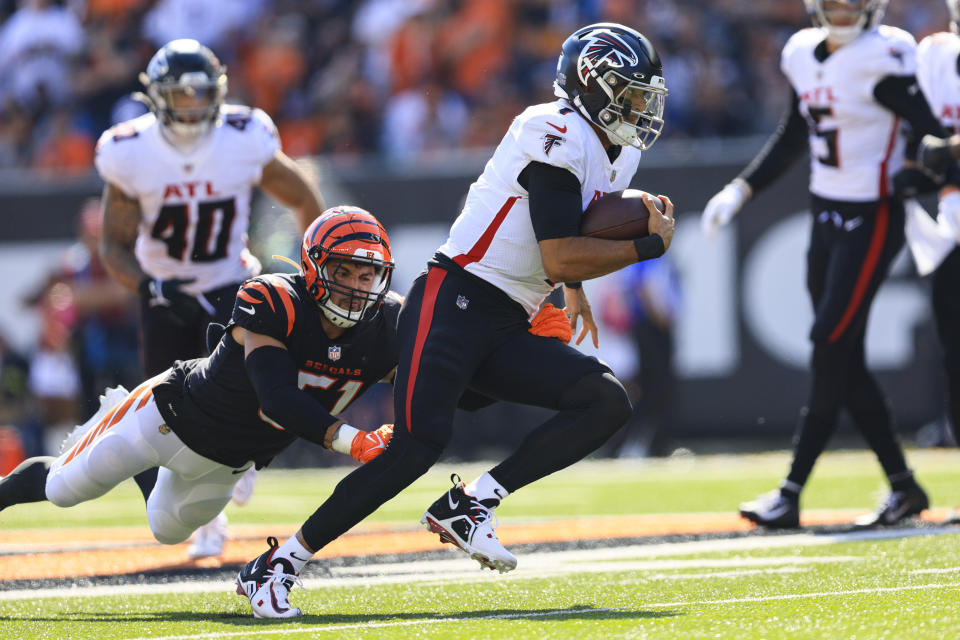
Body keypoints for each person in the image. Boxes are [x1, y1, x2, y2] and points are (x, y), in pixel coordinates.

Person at [235, 22, 675, 619]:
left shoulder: (613, 151)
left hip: (506, 316)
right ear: (592, 84)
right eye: (629, 92)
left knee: (604, 400)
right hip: (455, 302)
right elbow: (557, 251)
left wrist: (572, 289)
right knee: (418, 446)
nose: (639, 107)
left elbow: (568, 235)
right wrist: (645, 249)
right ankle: (278, 565)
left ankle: (473, 503)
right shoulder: (554, 129)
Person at [0, 207, 397, 553]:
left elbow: (441, 382)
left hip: (227, 462)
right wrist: (356, 441)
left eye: (367, 275)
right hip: (167, 417)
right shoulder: (274, 299)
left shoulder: (390, 326)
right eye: (342, 271)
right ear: (313, 267)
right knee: (63, 489)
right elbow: (276, 397)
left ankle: (140, 466)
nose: (353, 288)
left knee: (167, 529)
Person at [700, 0, 950, 529]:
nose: (841, 13)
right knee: (842, 355)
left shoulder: (886, 55)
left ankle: (791, 491)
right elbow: (795, 131)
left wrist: (917, 171)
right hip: (826, 212)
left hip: (874, 214)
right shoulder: (799, 53)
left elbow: (930, 133)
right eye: (832, 3)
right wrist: (740, 188)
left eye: (850, 3)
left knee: (829, 343)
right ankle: (904, 488)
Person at [94, 38, 325, 556]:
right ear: (157, 97)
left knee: (246, 393)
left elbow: (303, 197)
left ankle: (239, 469)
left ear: (218, 93)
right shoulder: (130, 150)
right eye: (182, 95)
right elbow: (113, 245)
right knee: (169, 417)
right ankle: (210, 517)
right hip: (162, 291)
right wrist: (151, 286)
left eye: (201, 94)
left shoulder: (242, 137)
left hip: (230, 283)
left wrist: (313, 273)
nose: (193, 105)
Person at [915, 0, 960, 522]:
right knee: (953, 356)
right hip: (951, 222)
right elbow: (914, 135)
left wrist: (946, 149)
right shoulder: (936, 56)